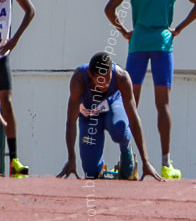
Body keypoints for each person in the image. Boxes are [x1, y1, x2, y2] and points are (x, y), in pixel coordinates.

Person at [104, 0, 196, 179]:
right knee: (162, 104)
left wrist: (125, 32)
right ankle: (165, 163)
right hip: (162, 42)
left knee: (131, 103)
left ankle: (127, 159)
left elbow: (109, 9)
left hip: (138, 41)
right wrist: (178, 29)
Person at [56, 52, 163, 181]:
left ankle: (126, 150)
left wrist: (146, 162)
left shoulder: (121, 77)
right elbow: (71, 121)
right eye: (101, 80)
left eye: (108, 78)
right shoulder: (78, 80)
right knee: (91, 173)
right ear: (90, 74)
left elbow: (134, 119)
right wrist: (71, 159)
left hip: (112, 107)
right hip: (90, 116)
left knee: (119, 130)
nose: (106, 85)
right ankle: (98, 167)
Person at [0, 0, 37, 177]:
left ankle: (14, 160)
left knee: (7, 102)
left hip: (1, 53)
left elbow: (30, 10)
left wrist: (15, 39)